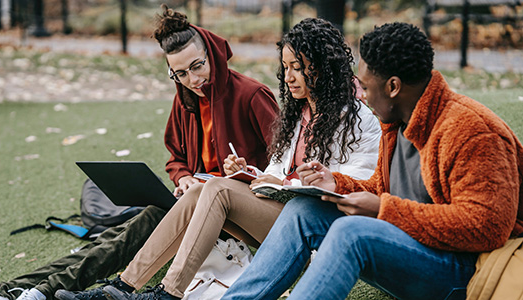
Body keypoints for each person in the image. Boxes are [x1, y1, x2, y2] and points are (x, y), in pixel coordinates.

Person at [0, 6, 278, 300]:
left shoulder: (251, 96)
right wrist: (184, 178)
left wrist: (245, 171)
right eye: (180, 73)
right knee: (116, 235)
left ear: (211, 54)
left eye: (197, 67)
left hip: (238, 214)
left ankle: (33, 293)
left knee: (137, 227)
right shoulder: (185, 101)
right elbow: (175, 158)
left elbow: (282, 164)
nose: (192, 80)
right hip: (195, 205)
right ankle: (17, 291)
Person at [76, 17, 382, 300]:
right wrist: (250, 172)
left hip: (315, 224)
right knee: (201, 189)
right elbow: (277, 166)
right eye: (285, 67)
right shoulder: (297, 113)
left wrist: (297, 180)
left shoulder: (359, 119)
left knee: (217, 189)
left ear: (322, 66)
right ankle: (122, 287)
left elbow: (365, 181)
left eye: (297, 68)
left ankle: (168, 294)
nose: (288, 77)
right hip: (281, 211)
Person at [220, 22, 523, 300]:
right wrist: (336, 182)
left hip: (461, 273)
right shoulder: (396, 122)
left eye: (365, 87)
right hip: (407, 247)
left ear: (393, 87)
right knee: (304, 209)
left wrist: (384, 210)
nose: (361, 96)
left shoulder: (472, 131)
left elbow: (488, 227)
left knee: (351, 233)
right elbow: (381, 186)